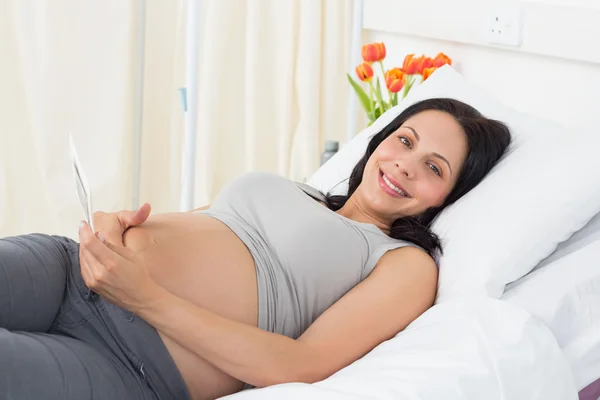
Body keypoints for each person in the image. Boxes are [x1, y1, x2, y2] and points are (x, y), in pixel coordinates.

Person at [0, 98, 511, 400]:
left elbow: (301, 366)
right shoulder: (303, 190)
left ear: (449, 198)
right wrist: (115, 225)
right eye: (405, 141)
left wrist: (144, 298)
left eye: (434, 167)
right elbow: (198, 226)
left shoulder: (404, 265)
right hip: (67, 268)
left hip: (130, 360)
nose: (405, 165)